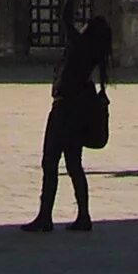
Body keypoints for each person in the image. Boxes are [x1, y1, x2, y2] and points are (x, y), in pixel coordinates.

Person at [21, 16, 111, 232]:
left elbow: (66, 21)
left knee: (50, 161)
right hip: (81, 110)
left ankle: (45, 216)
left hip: (65, 110)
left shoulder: (81, 46)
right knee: (73, 164)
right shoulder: (94, 51)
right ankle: (83, 215)